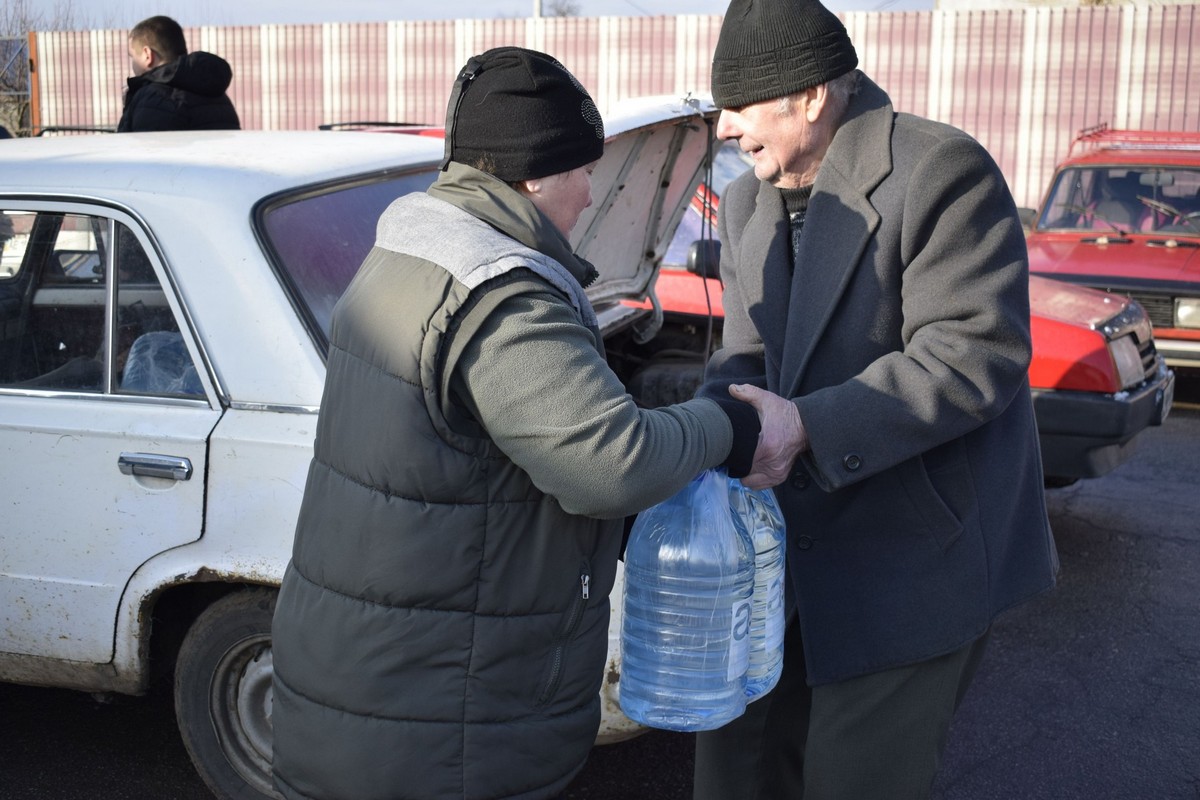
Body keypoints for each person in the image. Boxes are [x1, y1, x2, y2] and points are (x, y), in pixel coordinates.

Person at [270, 46, 775, 800]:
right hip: (445, 725)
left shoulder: (414, 244)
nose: (590, 190)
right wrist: (725, 426)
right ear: (534, 175)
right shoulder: (501, 290)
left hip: (374, 686)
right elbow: (612, 465)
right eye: (581, 169)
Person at [690, 1, 1060, 799]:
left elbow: (973, 353)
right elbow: (744, 354)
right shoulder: (752, 202)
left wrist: (808, 427)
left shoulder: (941, 170)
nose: (723, 129)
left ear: (813, 97)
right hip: (781, 567)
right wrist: (698, 433)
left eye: (740, 106)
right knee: (733, 773)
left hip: (913, 562)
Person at [117, 15, 240, 132]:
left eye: (132, 56)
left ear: (147, 55)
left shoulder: (153, 97)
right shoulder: (218, 97)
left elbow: (146, 151)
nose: (132, 63)